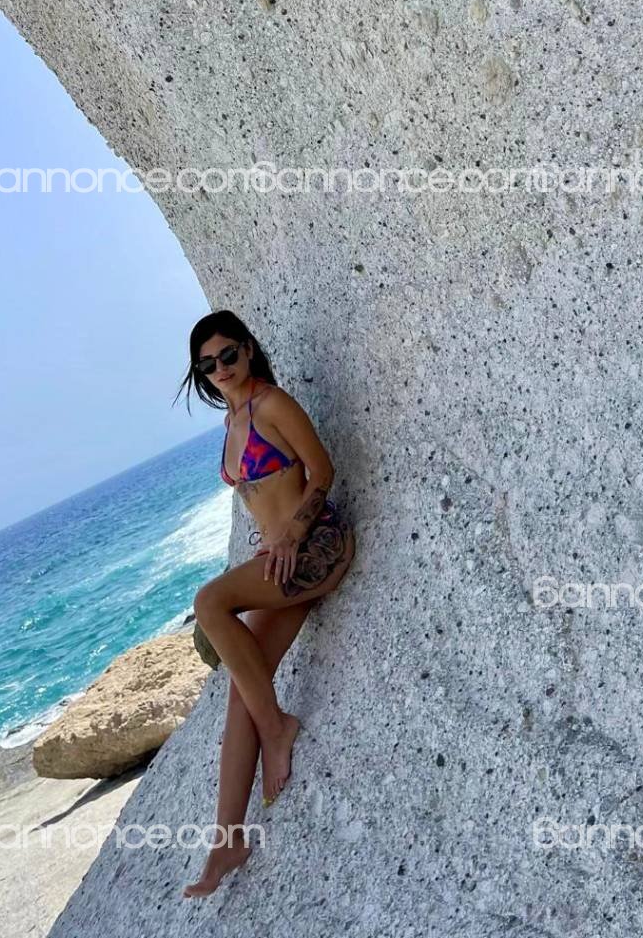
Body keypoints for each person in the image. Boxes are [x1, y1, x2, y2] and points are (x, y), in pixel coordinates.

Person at [174, 310, 355, 897]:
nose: (221, 368)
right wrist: (270, 543)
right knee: (242, 692)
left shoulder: (271, 404)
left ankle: (278, 728)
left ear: (248, 349)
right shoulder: (232, 421)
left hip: (318, 547)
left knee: (209, 602)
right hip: (281, 568)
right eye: (208, 364)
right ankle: (228, 841)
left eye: (228, 354)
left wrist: (291, 534)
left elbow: (322, 470)